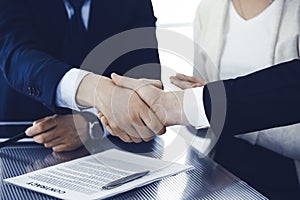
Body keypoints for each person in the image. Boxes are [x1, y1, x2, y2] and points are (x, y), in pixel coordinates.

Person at [101, 58, 300, 199]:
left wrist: (176, 106)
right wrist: (193, 107)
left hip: (288, 173)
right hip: (220, 164)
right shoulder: (209, 11)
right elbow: (202, 122)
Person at [0, 0, 164, 151]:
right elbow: (17, 56)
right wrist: (96, 91)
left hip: (112, 146)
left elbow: (145, 81)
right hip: (21, 138)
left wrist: (94, 122)